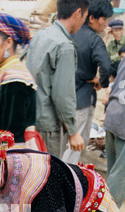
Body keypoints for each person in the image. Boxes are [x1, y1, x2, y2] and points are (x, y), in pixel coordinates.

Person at [26, 0, 88, 157]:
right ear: (78, 13)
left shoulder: (40, 35)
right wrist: (73, 131)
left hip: (31, 119)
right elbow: (62, 95)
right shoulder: (64, 46)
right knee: (48, 175)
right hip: (48, 126)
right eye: (84, 17)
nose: (83, 22)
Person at [62, 0, 113, 164]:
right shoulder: (94, 40)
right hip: (82, 98)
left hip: (61, 97)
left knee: (63, 145)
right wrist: (102, 82)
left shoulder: (67, 33)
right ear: (92, 18)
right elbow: (106, 65)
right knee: (75, 148)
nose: (105, 24)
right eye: (103, 19)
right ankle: (67, 184)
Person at [0, 13, 36, 144]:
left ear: (8, 42)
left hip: (12, 154)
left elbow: (13, 133)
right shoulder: (5, 71)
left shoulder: (14, 77)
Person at [104, 56, 125, 208]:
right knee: (119, 176)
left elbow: (115, 84)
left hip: (113, 114)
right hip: (123, 121)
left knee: (112, 171)